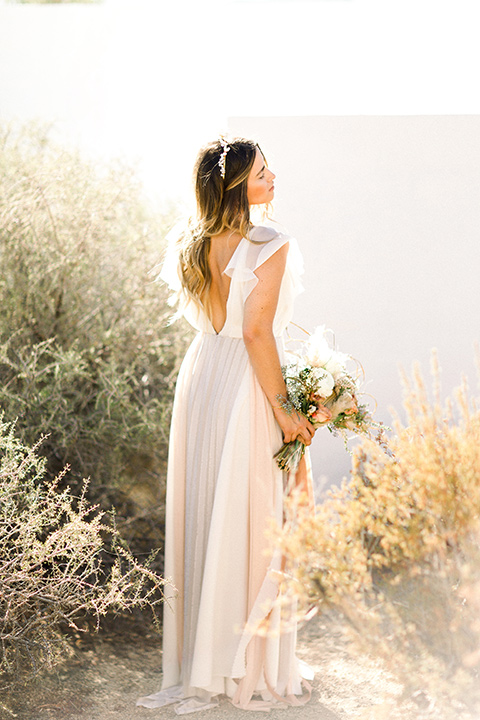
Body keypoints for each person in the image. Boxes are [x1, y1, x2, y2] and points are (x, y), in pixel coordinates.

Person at [137, 137, 315, 714]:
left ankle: (204, 658)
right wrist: (287, 408)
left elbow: (219, 320)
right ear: (238, 185)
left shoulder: (193, 241)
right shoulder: (272, 244)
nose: (273, 179)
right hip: (244, 381)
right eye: (263, 173)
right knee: (252, 511)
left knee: (212, 507)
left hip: (203, 374)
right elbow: (259, 333)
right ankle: (243, 665)